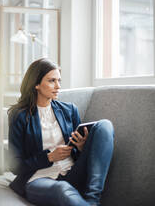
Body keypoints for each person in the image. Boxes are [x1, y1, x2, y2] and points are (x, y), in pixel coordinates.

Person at [8, 58, 114, 206]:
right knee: (62, 189)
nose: (58, 86)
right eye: (52, 81)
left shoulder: (69, 110)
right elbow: (14, 166)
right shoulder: (19, 116)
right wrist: (50, 157)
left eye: (59, 80)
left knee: (104, 126)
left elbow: (77, 152)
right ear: (36, 84)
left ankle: (93, 199)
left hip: (72, 172)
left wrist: (81, 148)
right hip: (39, 179)